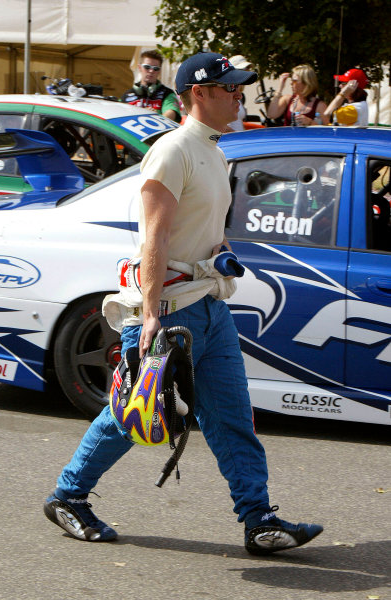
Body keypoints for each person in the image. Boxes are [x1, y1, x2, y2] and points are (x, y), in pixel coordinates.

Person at [44, 52, 323, 556]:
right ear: (199, 92)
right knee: (134, 414)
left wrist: (219, 254)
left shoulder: (213, 151)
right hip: (170, 311)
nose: (239, 94)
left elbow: (198, 231)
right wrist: (150, 314)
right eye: (230, 87)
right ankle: (68, 496)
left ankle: (258, 519)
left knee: (232, 416)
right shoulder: (173, 151)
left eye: (238, 86)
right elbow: (154, 239)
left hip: (209, 306)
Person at [121, 49, 181, 123]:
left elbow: (171, 113)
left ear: (159, 71)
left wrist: (154, 119)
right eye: (147, 67)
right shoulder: (126, 95)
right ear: (139, 68)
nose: (151, 71)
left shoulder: (167, 93)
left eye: (155, 68)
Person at [227, 55, 253, 131]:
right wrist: (237, 137)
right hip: (231, 141)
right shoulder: (226, 94)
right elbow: (217, 125)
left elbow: (238, 124)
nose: (247, 72)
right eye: (243, 70)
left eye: (248, 69)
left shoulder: (237, 95)